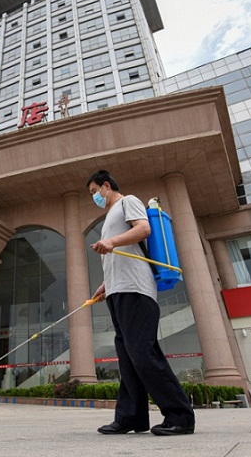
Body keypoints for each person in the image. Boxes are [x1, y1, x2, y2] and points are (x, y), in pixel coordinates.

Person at [86, 169, 195, 436]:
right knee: (128, 358)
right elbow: (119, 256)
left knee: (143, 354)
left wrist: (111, 242)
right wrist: (105, 285)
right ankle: (130, 418)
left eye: (94, 191)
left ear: (106, 185)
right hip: (118, 292)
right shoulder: (109, 218)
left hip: (135, 289)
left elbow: (143, 229)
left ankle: (180, 416)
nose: (94, 197)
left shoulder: (128, 201)